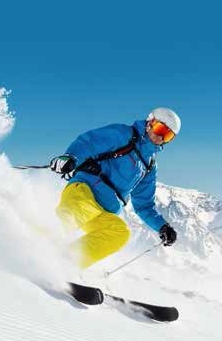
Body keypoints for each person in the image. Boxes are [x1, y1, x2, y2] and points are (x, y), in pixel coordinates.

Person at [49, 107, 180, 269]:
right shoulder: (124, 135)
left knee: (119, 233)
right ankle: (40, 247)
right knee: (72, 215)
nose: (160, 137)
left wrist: (162, 226)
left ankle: (67, 263)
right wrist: (71, 157)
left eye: (168, 135)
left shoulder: (149, 167)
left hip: (103, 210)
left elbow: (144, 205)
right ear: (150, 122)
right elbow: (90, 142)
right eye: (160, 129)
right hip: (84, 190)